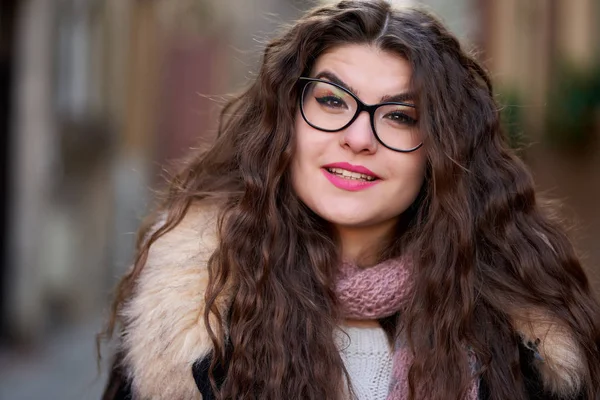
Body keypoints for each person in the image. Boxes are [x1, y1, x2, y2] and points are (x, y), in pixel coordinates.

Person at [100, 1, 600, 399]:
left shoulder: (518, 341)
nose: (359, 137)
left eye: (400, 116)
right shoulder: (193, 324)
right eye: (332, 101)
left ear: (441, 153)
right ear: (285, 124)